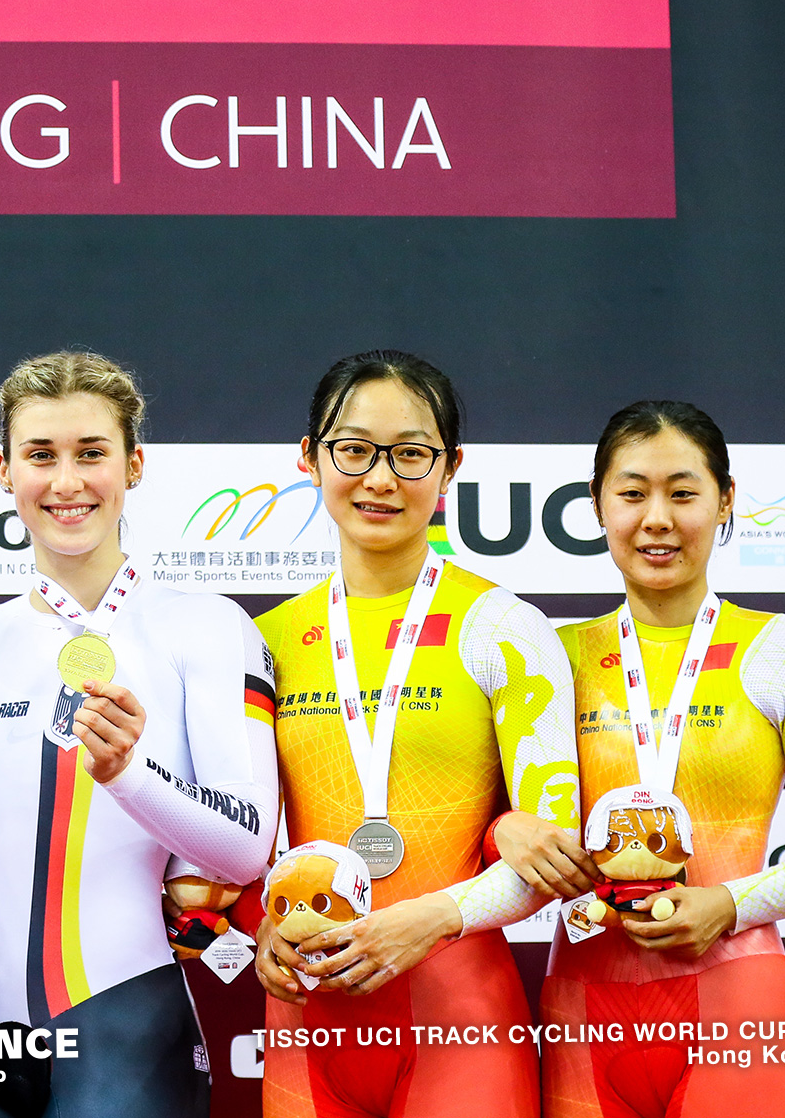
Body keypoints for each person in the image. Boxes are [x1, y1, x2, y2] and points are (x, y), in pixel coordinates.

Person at [486, 400, 785, 1118]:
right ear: (598, 504)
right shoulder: (549, 659)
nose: (656, 518)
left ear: (725, 500)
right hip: (581, 1015)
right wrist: (501, 828)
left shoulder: (784, 652)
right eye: (632, 493)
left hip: (737, 1009)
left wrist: (729, 904)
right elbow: (487, 824)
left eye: (683, 492)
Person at [0, 350, 281, 1118]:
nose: (67, 483)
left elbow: (246, 843)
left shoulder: (205, 626)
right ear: (2, 472)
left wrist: (129, 774)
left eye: (92, 454)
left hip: (123, 1020)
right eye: (41, 456)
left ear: (135, 464)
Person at [251, 350, 579, 1118]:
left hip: (460, 1018)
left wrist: (433, 918)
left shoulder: (504, 629)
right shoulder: (261, 642)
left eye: (410, 453)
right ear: (309, 457)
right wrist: (253, 926)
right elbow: (245, 838)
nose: (380, 478)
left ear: (450, 466)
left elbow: (555, 849)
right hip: (308, 1015)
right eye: (354, 449)